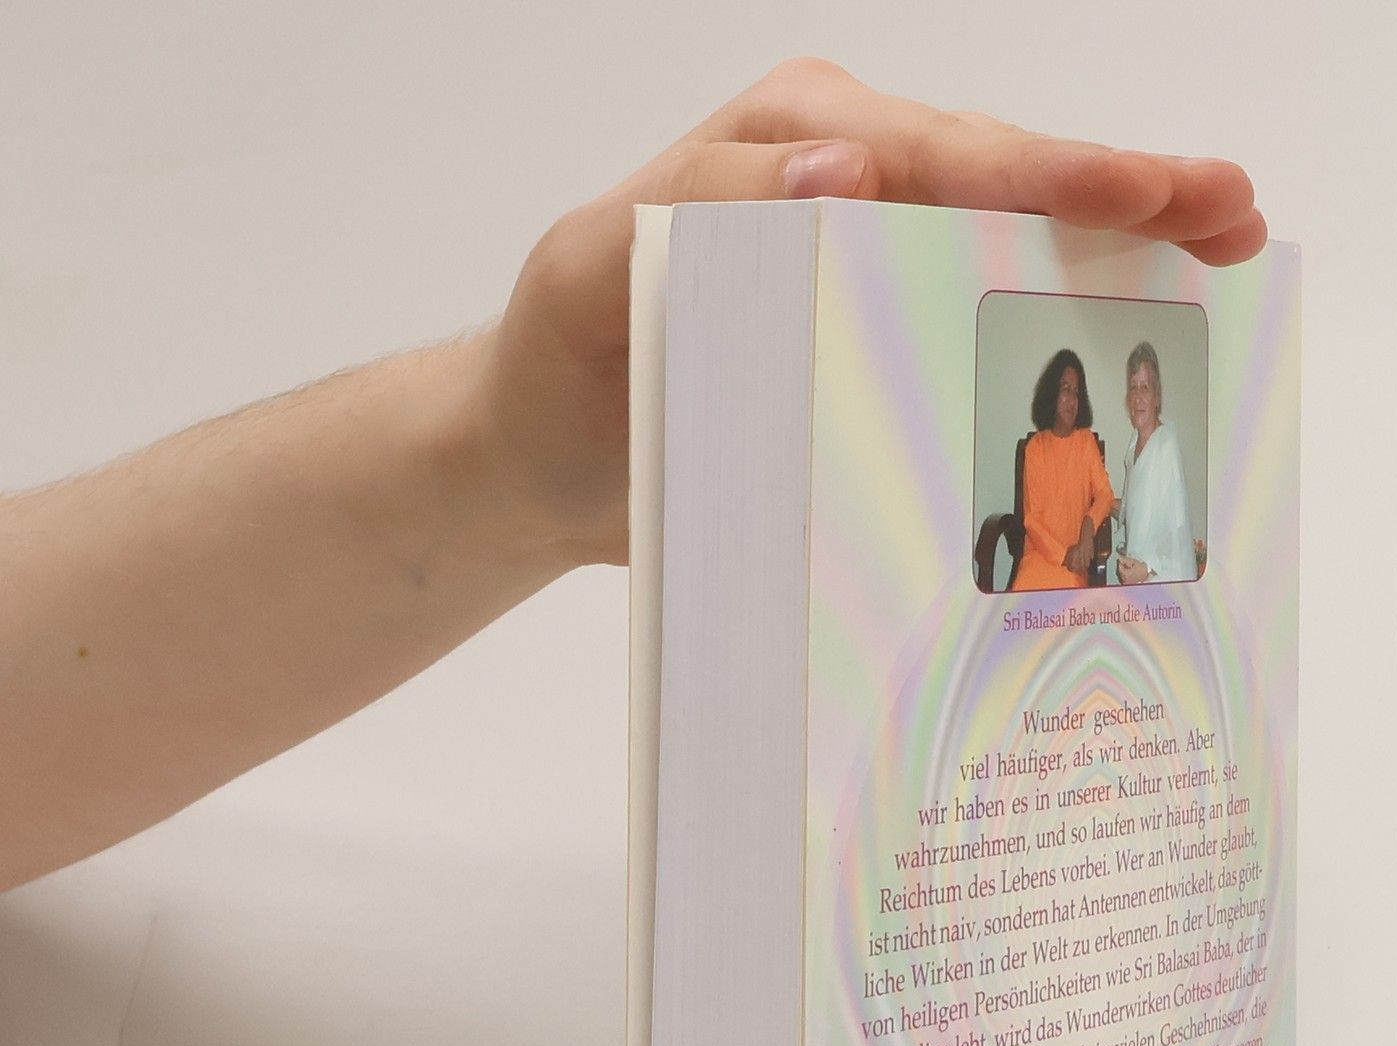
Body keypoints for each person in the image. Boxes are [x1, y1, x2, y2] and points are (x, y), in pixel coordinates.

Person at [0, 60, 1263, 894]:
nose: (1094, 402)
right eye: (1085, 391)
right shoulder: (1045, 452)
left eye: (1107, 394)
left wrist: (501, 458)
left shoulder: (1109, 464)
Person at [1008, 349, 1116, 591]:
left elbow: (1105, 494)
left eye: (1077, 392)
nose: (1072, 399)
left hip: (1076, 560)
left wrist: (1088, 525)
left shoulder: (1085, 442)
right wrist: (1063, 554)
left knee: (1067, 593)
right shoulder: (1035, 448)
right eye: (1066, 389)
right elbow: (1032, 520)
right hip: (1040, 556)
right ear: (1051, 393)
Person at [1112, 340, 1196, 585]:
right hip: (1137, 573)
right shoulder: (1134, 443)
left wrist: (1147, 569)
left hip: (1163, 581)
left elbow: (1177, 530)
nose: (1138, 398)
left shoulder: (1166, 447)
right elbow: (1135, 510)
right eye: (1133, 388)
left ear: (1157, 397)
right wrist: (1098, 501)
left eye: (1145, 388)